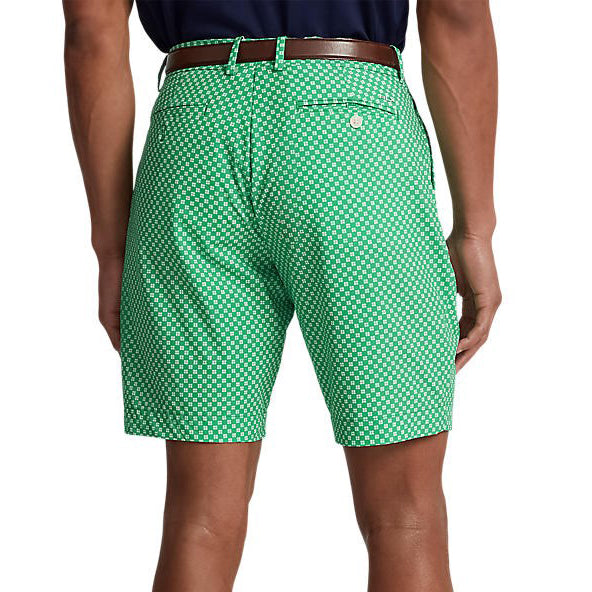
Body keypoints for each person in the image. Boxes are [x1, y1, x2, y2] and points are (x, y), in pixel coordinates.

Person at [63, 0, 501, 590]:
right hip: (351, 135)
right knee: (406, 515)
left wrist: (111, 245)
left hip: (196, 138)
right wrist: (475, 229)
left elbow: (91, 28)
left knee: (199, 520)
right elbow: (457, 12)